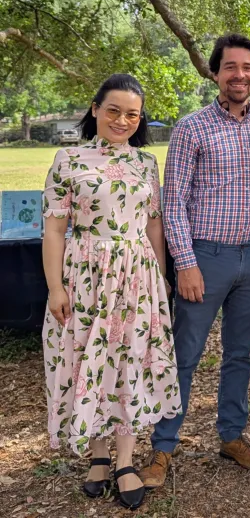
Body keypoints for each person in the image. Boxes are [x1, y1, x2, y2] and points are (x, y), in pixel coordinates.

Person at [139, 34, 250, 488]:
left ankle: (232, 436)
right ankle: (163, 447)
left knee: (240, 354)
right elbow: (173, 201)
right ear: (215, 73)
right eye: (230, 67)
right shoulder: (191, 128)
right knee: (185, 355)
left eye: (248, 68)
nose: (240, 75)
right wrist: (185, 263)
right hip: (205, 257)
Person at [42, 74, 181, 510]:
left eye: (132, 115)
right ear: (96, 109)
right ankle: (98, 455)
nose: (122, 120)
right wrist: (55, 287)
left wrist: (160, 277)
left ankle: (124, 460)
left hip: (137, 278)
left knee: (129, 361)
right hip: (85, 277)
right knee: (89, 358)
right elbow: (54, 229)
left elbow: (154, 224)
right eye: (114, 111)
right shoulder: (68, 159)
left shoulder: (146, 163)